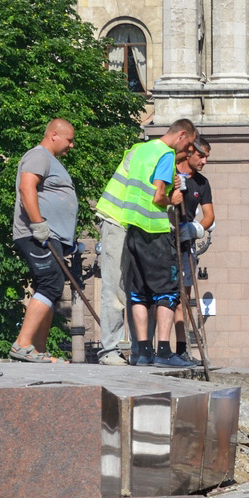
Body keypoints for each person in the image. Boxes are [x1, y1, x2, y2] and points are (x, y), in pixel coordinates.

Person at [96, 117, 199, 367]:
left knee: (138, 290)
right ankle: (112, 349)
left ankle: (142, 351)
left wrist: (171, 181)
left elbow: (147, 182)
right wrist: (171, 197)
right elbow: (157, 194)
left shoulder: (142, 149)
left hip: (134, 224)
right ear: (181, 136)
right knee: (121, 288)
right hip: (122, 221)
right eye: (188, 147)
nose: (187, 153)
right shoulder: (164, 154)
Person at [8, 118, 77, 363]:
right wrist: (38, 224)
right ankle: (22, 345)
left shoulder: (51, 160)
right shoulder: (38, 156)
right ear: (54, 135)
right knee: (51, 283)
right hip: (37, 233)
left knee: (49, 288)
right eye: (69, 140)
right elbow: (27, 187)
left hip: (49, 235)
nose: (72, 146)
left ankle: (36, 349)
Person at [172, 140, 215, 361]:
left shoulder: (202, 183)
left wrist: (195, 229)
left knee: (183, 297)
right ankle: (156, 347)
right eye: (201, 156)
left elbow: (209, 216)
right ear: (189, 153)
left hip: (185, 241)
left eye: (207, 157)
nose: (204, 161)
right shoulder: (172, 173)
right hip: (164, 238)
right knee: (162, 295)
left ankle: (182, 349)